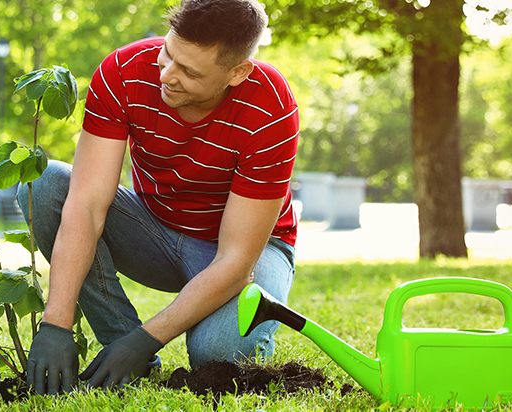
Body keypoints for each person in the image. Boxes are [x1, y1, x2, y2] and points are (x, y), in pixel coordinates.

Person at [18, 0, 300, 395]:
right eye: (168, 54)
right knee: (44, 184)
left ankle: (134, 348)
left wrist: (147, 337)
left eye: (189, 71)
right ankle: (123, 347)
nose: (167, 74)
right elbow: (86, 205)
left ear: (238, 72)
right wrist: (56, 323)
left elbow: (237, 261)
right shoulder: (124, 71)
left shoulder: (269, 105)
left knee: (218, 358)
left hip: (248, 250)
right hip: (156, 233)